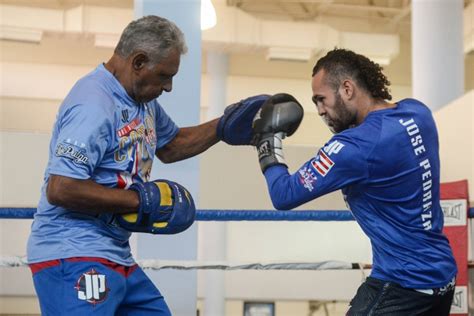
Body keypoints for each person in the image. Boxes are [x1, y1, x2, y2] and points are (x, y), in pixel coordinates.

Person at [27, 15, 268, 315]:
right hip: (72, 251)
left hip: (115, 252)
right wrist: (139, 200)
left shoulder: (142, 102)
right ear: (138, 62)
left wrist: (223, 126)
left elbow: (172, 144)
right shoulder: (93, 104)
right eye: (165, 76)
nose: (168, 87)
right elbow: (61, 187)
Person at [252, 48, 457, 315]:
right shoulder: (418, 113)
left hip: (402, 287)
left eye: (321, 99)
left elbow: (283, 194)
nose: (320, 111)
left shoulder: (355, 147)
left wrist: (266, 143)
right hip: (441, 277)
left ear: (347, 89)